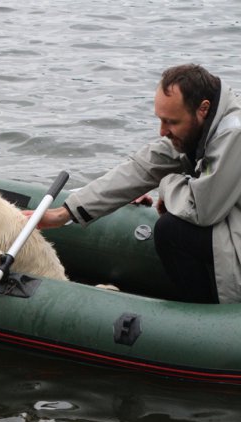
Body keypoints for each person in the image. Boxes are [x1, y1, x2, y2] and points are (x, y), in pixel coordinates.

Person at [33, 64, 241, 304]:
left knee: (171, 230)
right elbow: (142, 167)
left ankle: (206, 319)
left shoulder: (233, 134)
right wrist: (63, 213)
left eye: (171, 122)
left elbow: (203, 210)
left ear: (203, 109)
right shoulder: (205, 125)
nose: (162, 131)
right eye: (161, 120)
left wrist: (167, 185)